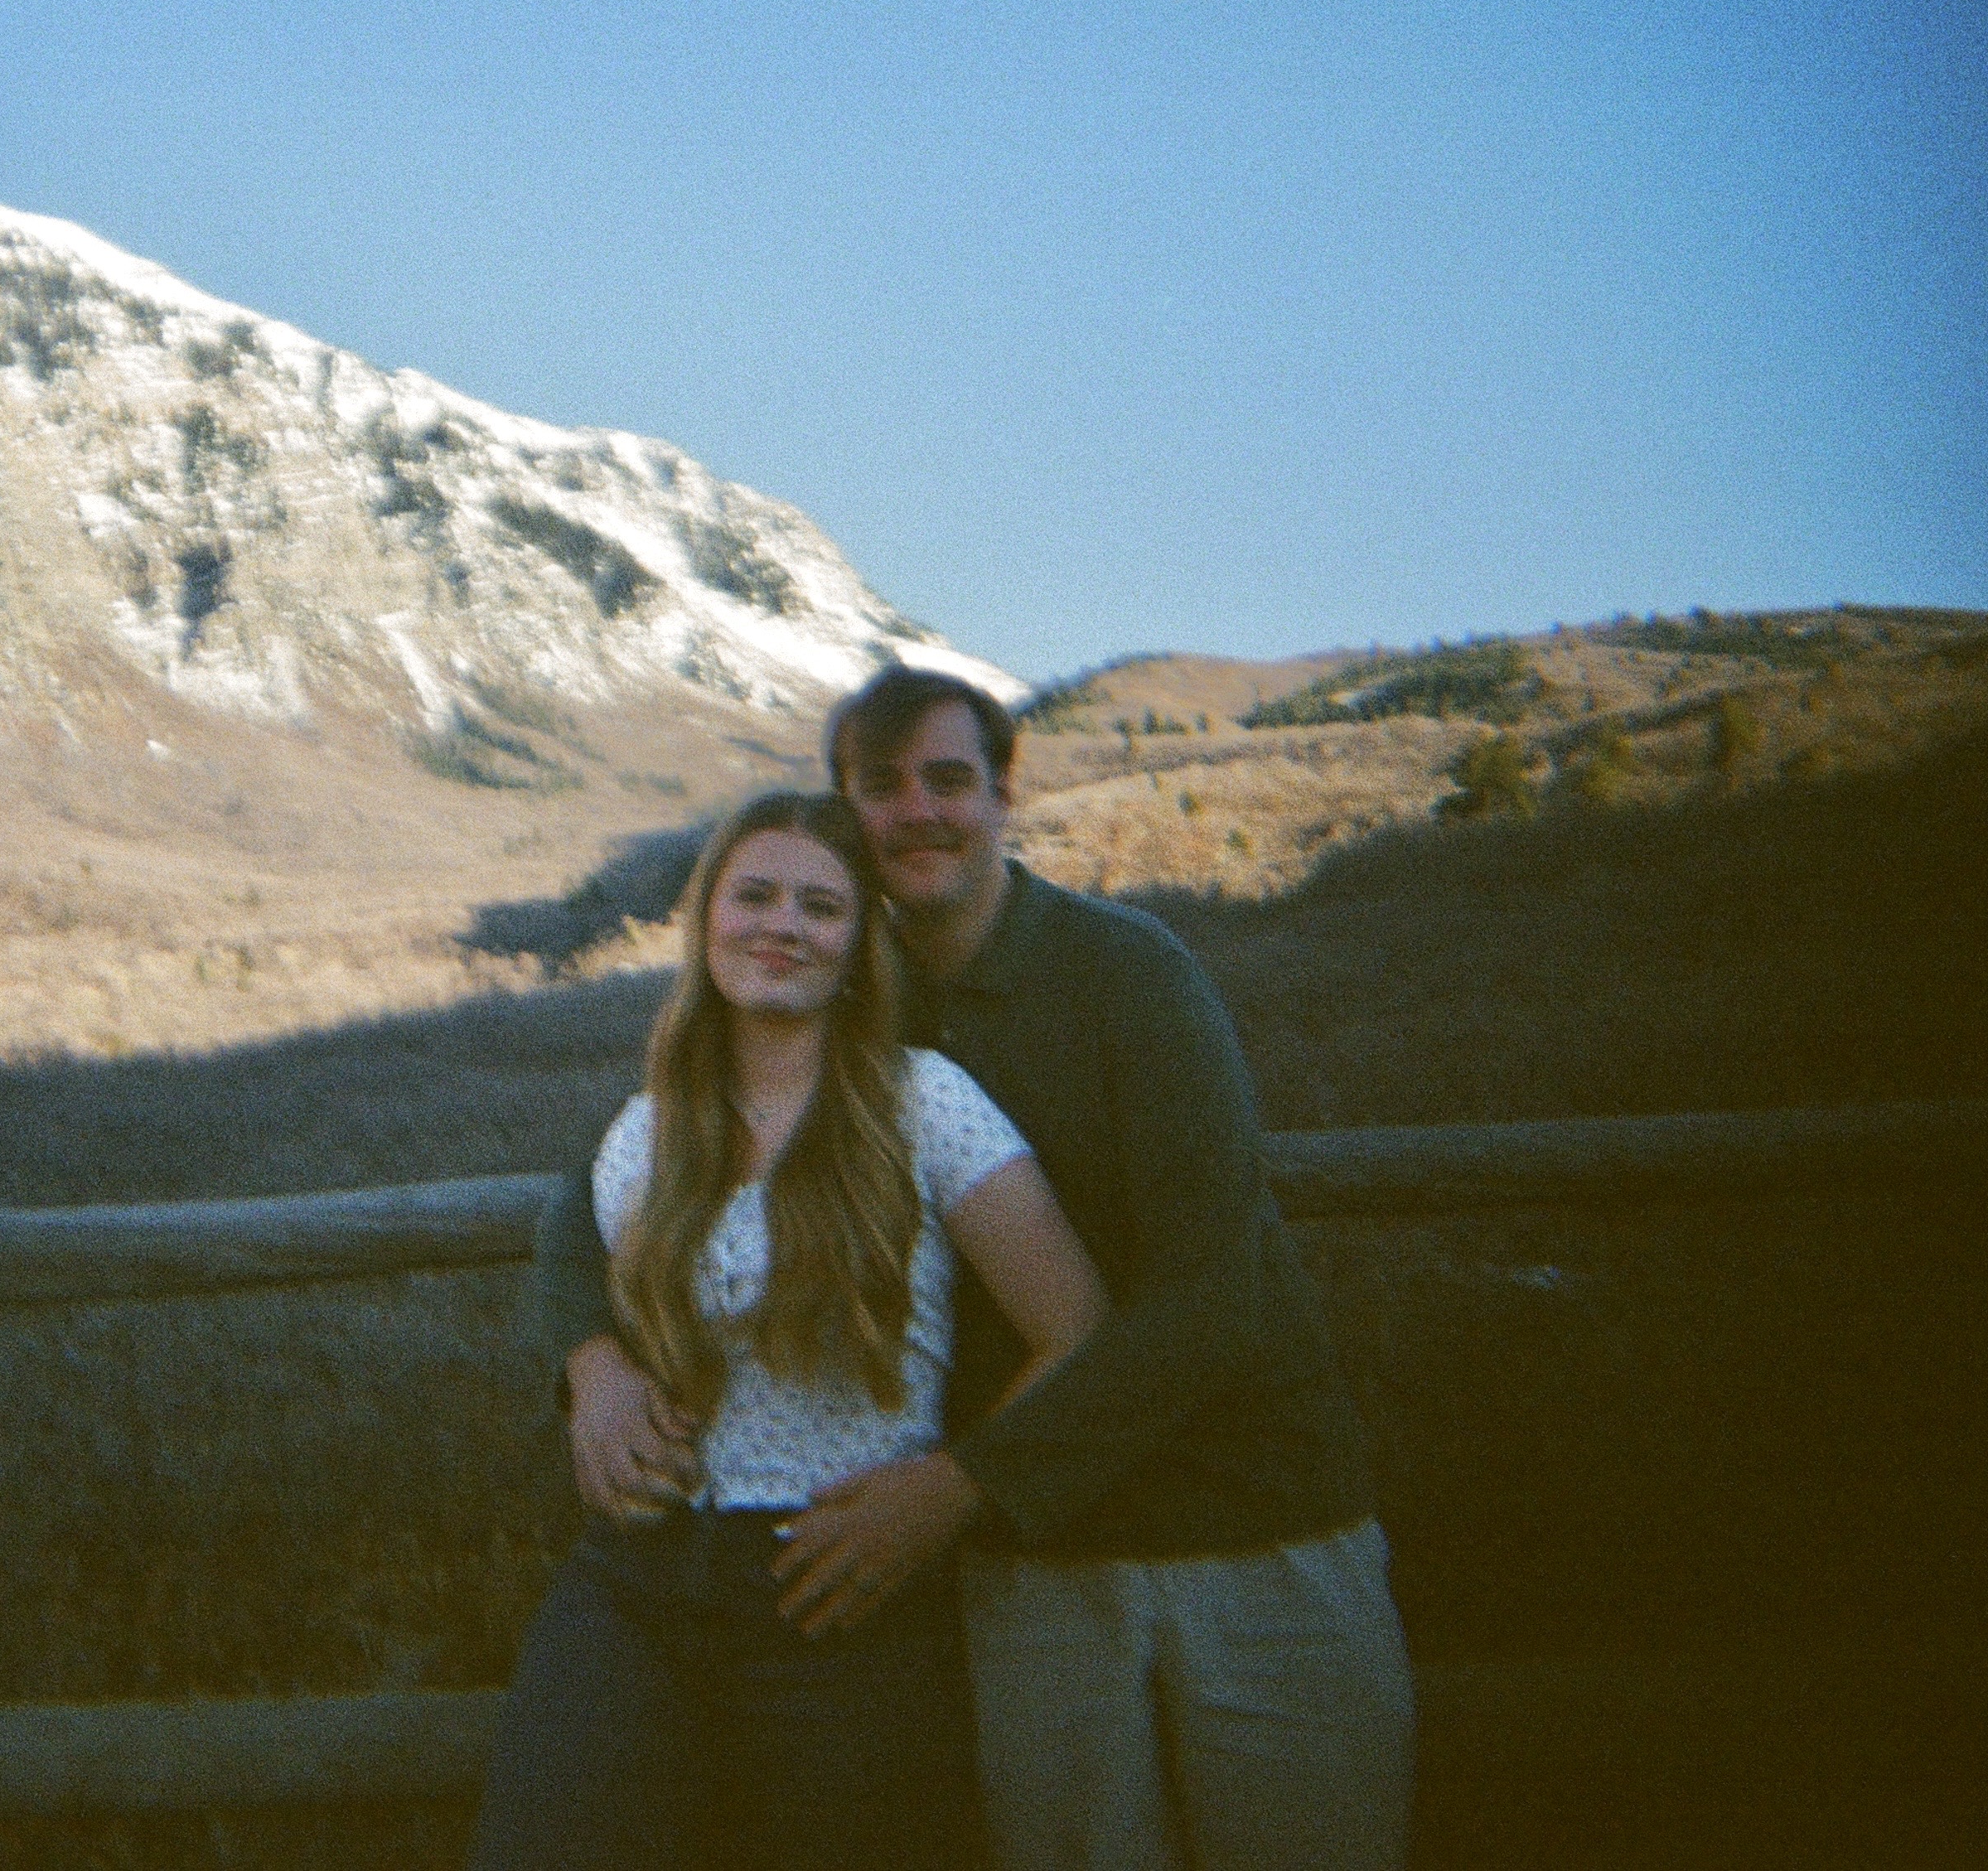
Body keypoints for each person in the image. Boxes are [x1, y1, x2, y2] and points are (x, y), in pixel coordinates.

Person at [534, 667, 1415, 1871]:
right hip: (1032, 1572)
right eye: (881, 787)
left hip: (1245, 1525)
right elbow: (611, 1180)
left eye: (949, 780)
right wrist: (592, 1358)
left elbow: (1217, 1296)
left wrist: (962, 1483)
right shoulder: (843, 1004)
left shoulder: (1128, 979)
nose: (918, 813)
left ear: (1004, 794)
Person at [472, 787, 1108, 1871]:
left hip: (840, 1589)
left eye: (820, 907)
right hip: (636, 1580)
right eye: (754, 895)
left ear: (858, 945)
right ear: (704, 918)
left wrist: (958, 1486)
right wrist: (597, 1371)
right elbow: (570, 1259)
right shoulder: (648, 1122)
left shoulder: (925, 1102)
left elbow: (1078, 1326)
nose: (782, 925)